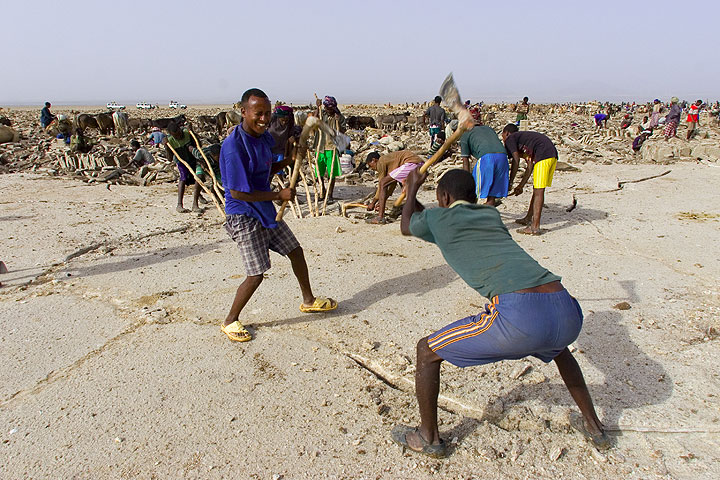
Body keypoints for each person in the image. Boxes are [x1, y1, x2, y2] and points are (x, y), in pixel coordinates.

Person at [390, 168, 610, 458]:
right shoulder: (490, 215)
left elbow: (408, 224)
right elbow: (429, 221)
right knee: (560, 350)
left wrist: (412, 189)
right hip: (566, 308)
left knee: (426, 351)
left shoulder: (437, 218)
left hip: (519, 317)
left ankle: (428, 437)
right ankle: (594, 426)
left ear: (443, 197)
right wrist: (418, 198)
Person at [219, 88, 337, 342]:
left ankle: (308, 300)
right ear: (244, 112)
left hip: (264, 209)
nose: (263, 119)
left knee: (296, 251)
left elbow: (266, 168)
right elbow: (238, 193)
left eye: (267, 114)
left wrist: (289, 161)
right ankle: (230, 321)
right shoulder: (233, 148)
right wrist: (278, 196)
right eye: (258, 114)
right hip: (243, 214)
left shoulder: (262, 138)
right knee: (257, 274)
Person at [502, 124, 559, 235]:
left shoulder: (510, 139)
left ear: (507, 133)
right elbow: (529, 166)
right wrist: (521, 186)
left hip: (544, 155)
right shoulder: (523, 141)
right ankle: (528, 218)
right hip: (551, 155)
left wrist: (510, 182)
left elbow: (516, 160)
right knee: (537, 189)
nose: (503, 139)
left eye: (503, 136)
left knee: (539, 191)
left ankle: (535, 227)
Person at [365, 150, 424, 224]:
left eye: (370, 165)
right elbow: (392, 184)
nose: (371, 168)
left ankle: (380, 217)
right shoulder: (390, 162)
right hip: (419, 164)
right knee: (405, 190)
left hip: (411, 164)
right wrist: (381, 201)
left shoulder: (381, 161)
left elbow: (381, 185)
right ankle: (418, 212)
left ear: (374, 160)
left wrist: (373, 203)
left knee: (383, 182)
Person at [459, 119, 508, 207]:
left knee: (473, 191)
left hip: (487, 158)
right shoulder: (488, 129)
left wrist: (467, 181)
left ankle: (470, 215)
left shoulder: (465, 134)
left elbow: (465, 160)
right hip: (503, 157)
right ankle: (489, 216)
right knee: (492, 196)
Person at [164, 122, 205, 213]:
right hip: (182, 162)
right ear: (171, 135)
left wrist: (193, 133)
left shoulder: (187, 133)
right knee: (183, 178)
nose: (178, 137)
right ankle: (179, 204)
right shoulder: (170, 140)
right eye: (176, 136)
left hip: (194, 159)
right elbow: (170, 159)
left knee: (199, 176)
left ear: (180, 129)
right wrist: (166, 147)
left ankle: (195, 204)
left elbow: (199, 145)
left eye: (179, 134)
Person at [314, 95, 346, 200]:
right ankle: (322, 191)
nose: (327, 110)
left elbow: (342, 132)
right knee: (319, 173)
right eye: (326, 108)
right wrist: (317, 108)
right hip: (320, 147)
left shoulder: (339, 117)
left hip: (332, 148)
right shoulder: (321, 114)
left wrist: (338, 123)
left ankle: (330, 194)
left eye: (329, 108)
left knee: (332, 173)